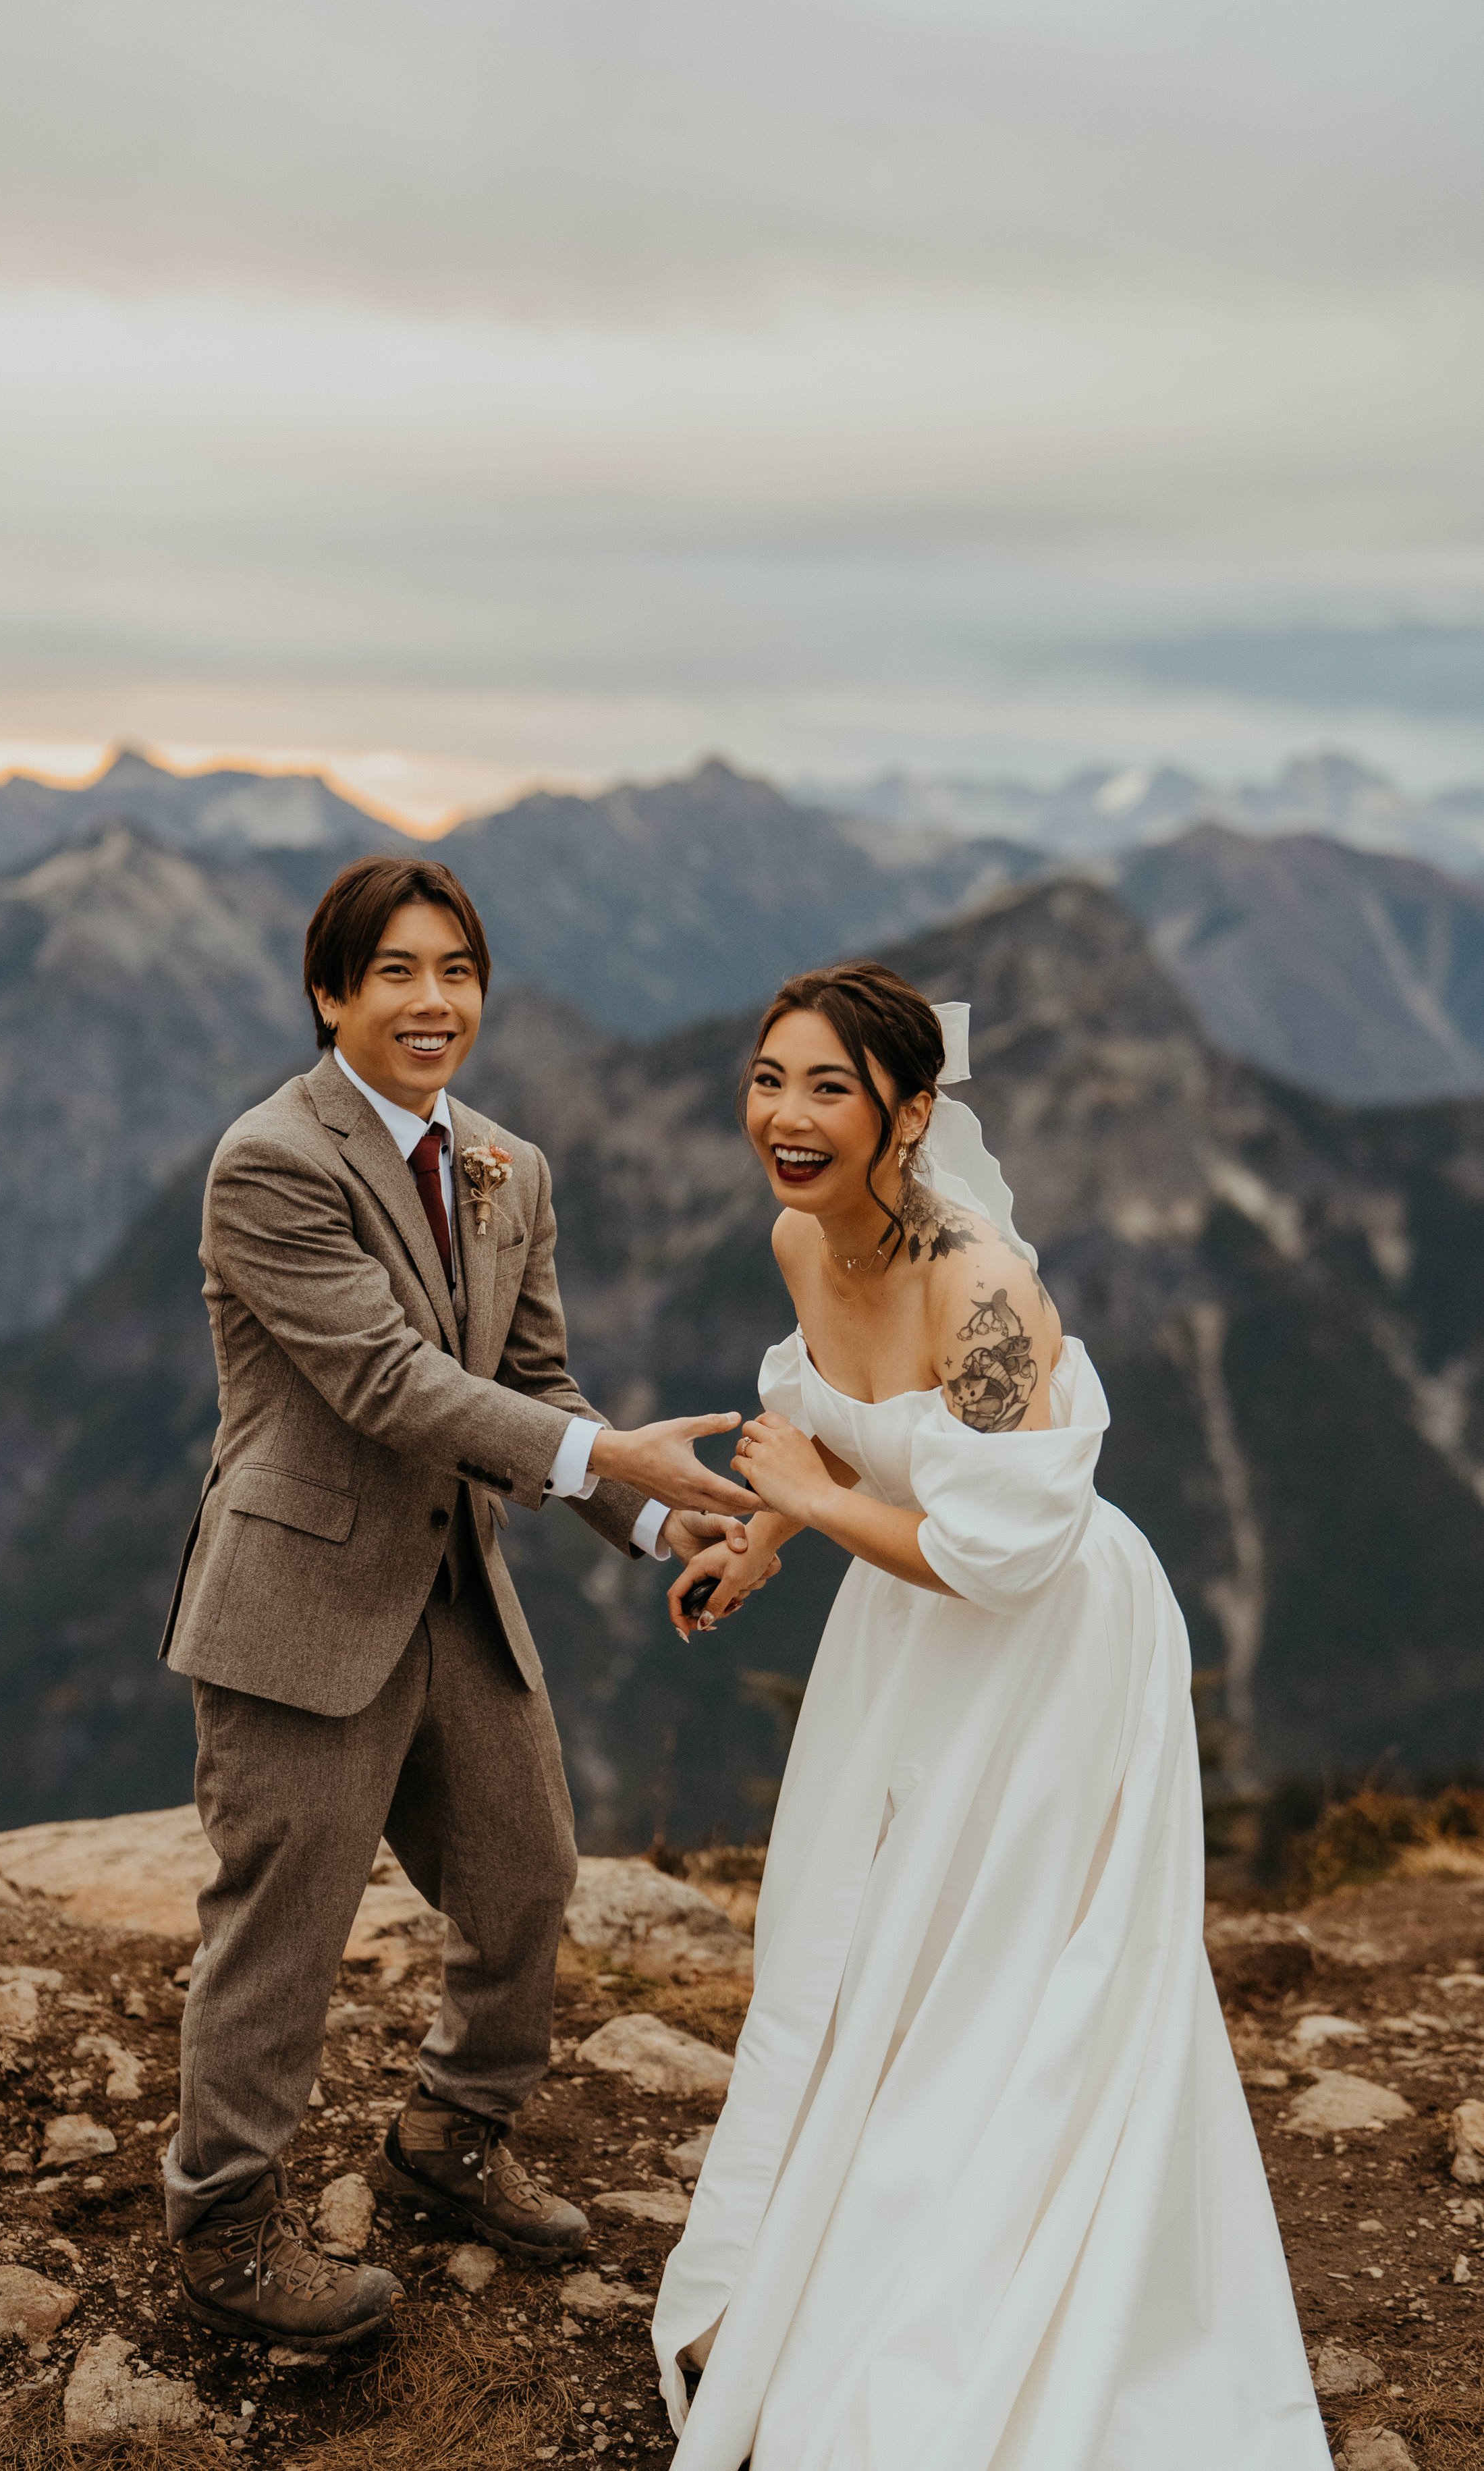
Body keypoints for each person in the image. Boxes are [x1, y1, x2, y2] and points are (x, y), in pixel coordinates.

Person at [651, 961, 1330, 2470]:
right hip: (904, 1633)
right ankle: (829, 2236)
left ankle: (964, 2267)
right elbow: (827, 1426)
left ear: (904, 1115)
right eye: (769, 1077)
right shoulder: (795, 1238)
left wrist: (813, 1500)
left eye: (829, 1087)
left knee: (1002, 1963)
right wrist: (762, 1541)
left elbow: (997, 1551)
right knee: (859, 1934)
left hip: (1046, 1648)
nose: (786, 1113)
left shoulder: (982, 1293)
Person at [158, 852, 757, 2352]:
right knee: (281, 1930)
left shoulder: (507, 1165)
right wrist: (598, 1452)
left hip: (450, 1590)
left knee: (527, 1875)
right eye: (396, 975)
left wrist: (649, 1508)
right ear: (328, 994)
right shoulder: (269, 1161)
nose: (434, 1004)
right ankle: (222, 2233)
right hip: (296, 1603)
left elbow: (533, 1387)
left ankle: (445, 2139)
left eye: (458, 972)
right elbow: (384, 1380)